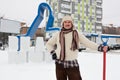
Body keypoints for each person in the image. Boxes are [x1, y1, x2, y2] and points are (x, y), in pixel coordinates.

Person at [46, 15, 109, 80]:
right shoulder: (58, 34)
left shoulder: (76, 34)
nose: (67, 24)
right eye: (65, 22)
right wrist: (52, 52)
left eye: (69, 22)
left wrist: (99, 47)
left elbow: (87, 43)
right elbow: (49, 44)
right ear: (63, 24)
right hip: (59, 63)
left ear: (72, 23)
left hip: (72, 64)